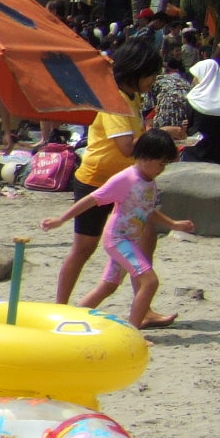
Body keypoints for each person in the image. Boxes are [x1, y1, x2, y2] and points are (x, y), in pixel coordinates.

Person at [43, 129, 194, 328]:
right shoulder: (126, 178)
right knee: (150, 281)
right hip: (118, 240)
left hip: (130, 241)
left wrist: (173, 224)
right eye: (161, 163)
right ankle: (133, 330)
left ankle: (68, 319)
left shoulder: (149, 181)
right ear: (145, 157)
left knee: (108, 286)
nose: (162, 169)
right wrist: (61, 219)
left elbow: (146, 209)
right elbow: (92, 199)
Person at [55, 38, 158, 304]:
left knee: (145, 241)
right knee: (84, 248)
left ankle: (143, 307)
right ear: (135, 71)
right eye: (151, 74)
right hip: (97, 182)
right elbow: (126, 147)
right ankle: (60, 307)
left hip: (127, 185)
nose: (153, 80)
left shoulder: (133, 97)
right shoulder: (114, 100)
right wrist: (161, 134)